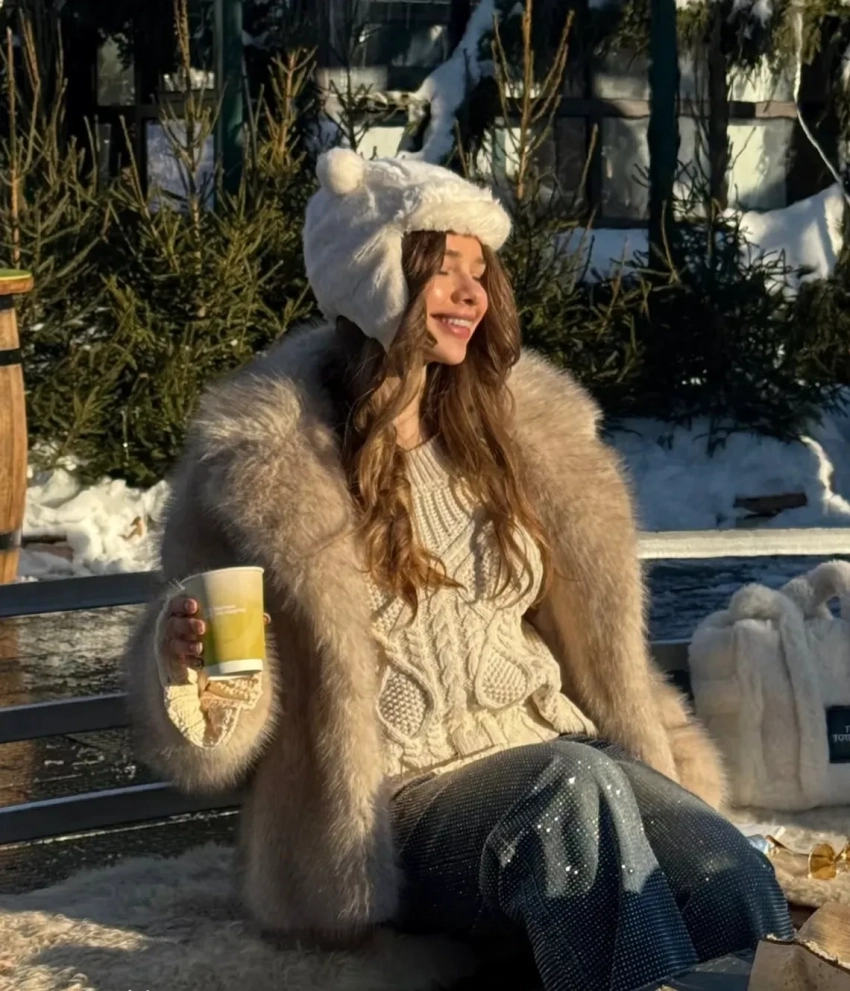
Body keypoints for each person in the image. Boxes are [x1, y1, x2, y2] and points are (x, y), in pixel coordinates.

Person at [123, 148, 793, 991]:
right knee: (572, 793)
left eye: (481, 272)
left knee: (723, 866)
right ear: (374, 277)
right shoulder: (264, 465)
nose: (473, 294)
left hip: (559, 763)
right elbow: (214, 730)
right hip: (393, 811)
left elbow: (588, 651)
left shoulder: (508, 436)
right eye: (444, 269)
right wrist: (183, 661)